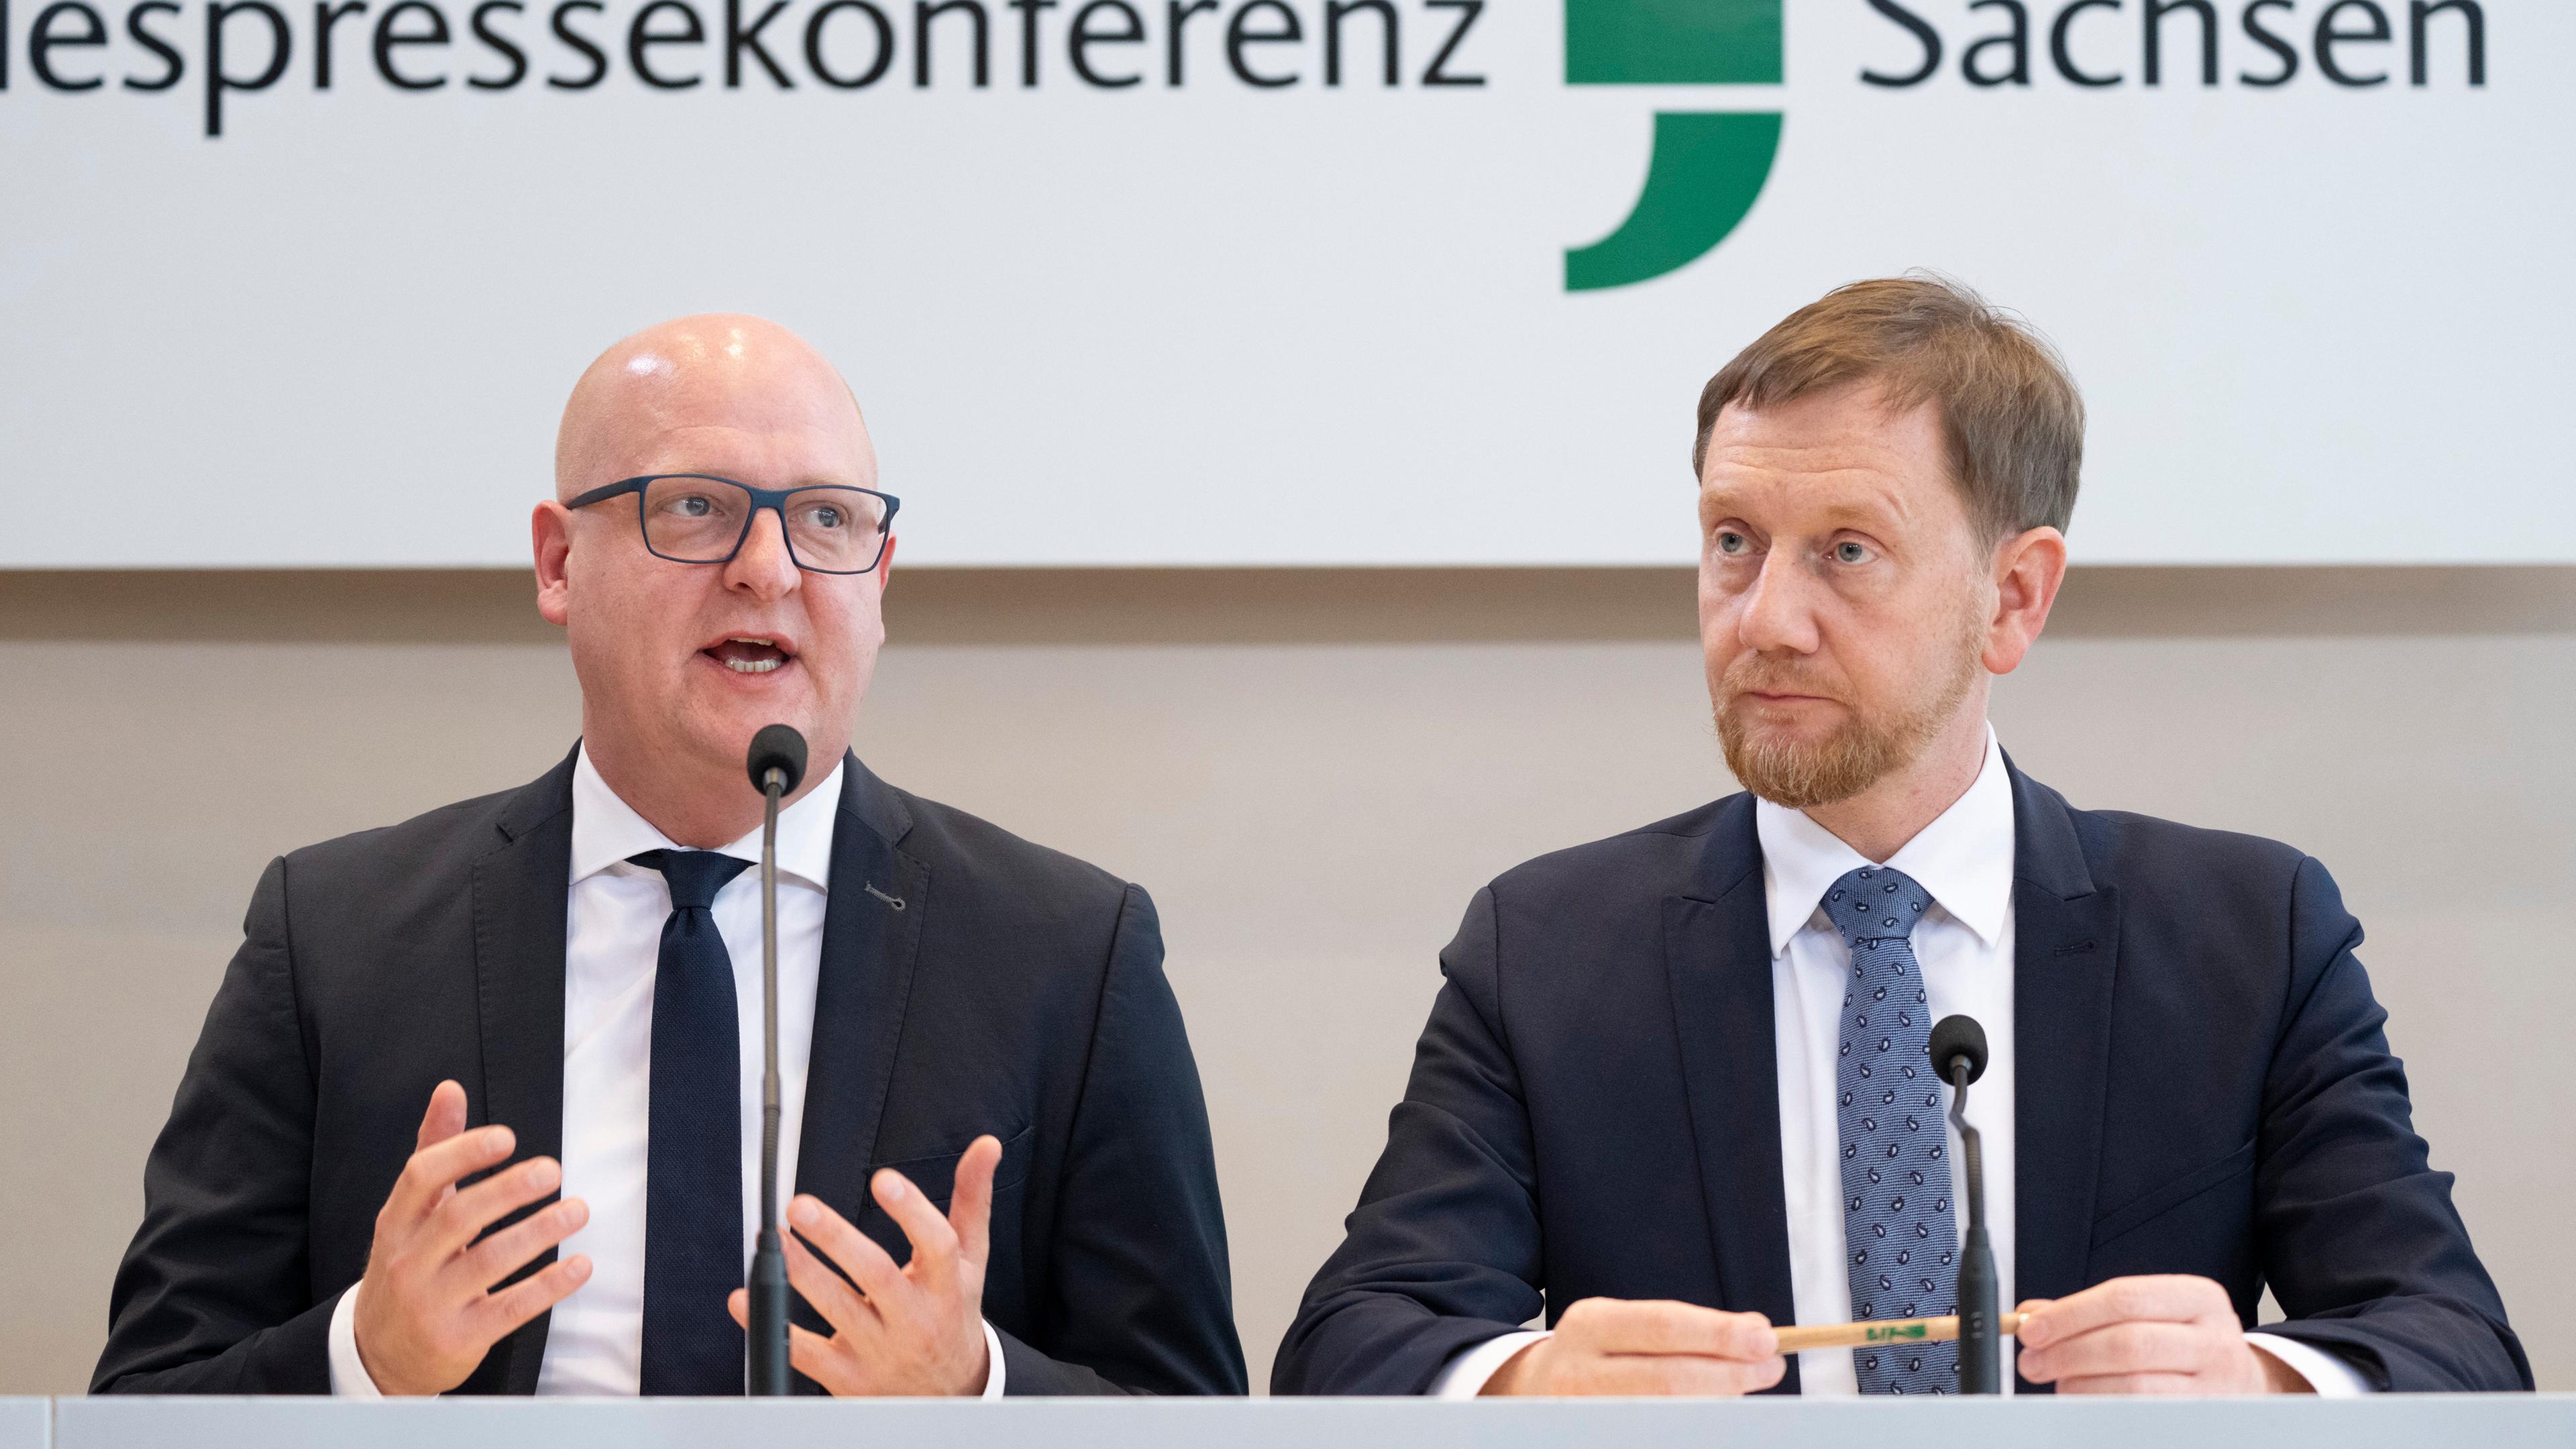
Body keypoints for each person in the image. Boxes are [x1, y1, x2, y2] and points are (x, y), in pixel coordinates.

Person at [1273, 277, 2528, 1398]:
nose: (1766, 620)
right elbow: (1352, 1340)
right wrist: (1519, 1385)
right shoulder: (1546, 948)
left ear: (2015, 596)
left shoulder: (2250, 934)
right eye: (1732, 544)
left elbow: (2452, 1342)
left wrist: (2260, 1382)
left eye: (1848, 553)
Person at [93, 316, 1246, 1398]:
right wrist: (366, 1361)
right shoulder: (333, 938)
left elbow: (1197, 1417)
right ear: (557, 564)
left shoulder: (1066, 954)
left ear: (880, 582)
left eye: (828, 520)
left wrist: (976, 1391)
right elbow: (142, 1403)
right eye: (695, 507)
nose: (769, 568)